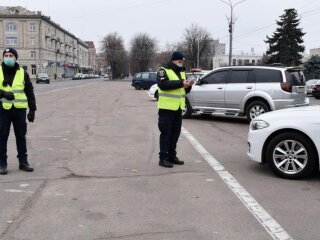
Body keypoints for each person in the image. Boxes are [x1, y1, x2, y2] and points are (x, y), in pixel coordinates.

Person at [0, 48, 37, 175]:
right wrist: (3, 93)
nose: (8, 57)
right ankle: (2, 164)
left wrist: (32, 110)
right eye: (6, 55)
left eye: (11, 55)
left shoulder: (23, 73)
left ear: (16, 57)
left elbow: (30, 92)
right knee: (2, 137)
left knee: (21, 136)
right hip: (3, 110)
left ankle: (23, 162)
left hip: (19, 110)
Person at [157, 51, 195, 168]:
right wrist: (181, 83)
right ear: (173, 60)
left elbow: (183, 90)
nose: (181, 63)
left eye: (182, 62)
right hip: (166, 109)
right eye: (179, 61)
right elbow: (163, 85)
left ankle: (172, 156)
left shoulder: (182, 71)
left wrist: (189, 85)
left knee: (175, 134)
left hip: (178, 108)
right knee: (166, 134)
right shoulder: (163, 70)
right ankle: (163, 158)